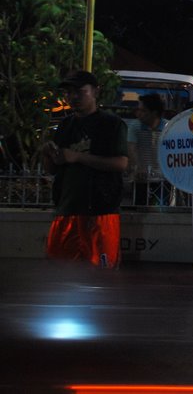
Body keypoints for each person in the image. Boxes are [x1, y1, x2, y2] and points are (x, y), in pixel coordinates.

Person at [41, 70, 128, 268]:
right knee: (60, 270)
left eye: (80, 91)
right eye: (69, 93)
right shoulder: (65, 125)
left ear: (96, 92)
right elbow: (53, 169)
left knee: (100, 273)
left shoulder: (111, 124)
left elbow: (121, 163)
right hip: (67, 207)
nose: (73, 97)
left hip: (100, 209)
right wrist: (48, 155)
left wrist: (79, 157)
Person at [127, 93, 170, 206]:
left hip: (163, 179)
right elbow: (131, 148)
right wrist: (138, 167)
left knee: (161, 208)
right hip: (141, 177)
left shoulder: (167, 128)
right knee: (139, 206)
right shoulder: (135, 126)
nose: (139, 114)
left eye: (143, 111)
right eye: (138, 110)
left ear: (154, 112)